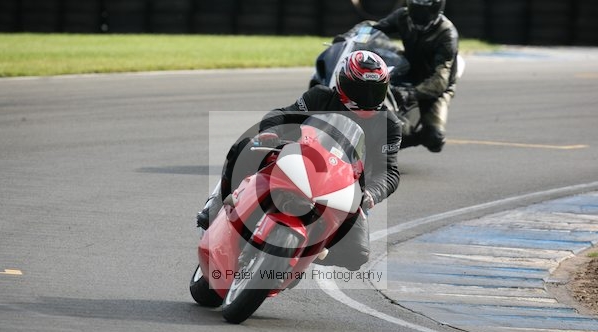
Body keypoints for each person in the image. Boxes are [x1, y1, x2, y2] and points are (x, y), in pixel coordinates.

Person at [197, 50, 403, 271]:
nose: (368, 99)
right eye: (360, 90)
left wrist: (371, 193)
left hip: (344, 187)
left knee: (357, 255)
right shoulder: (320, 97)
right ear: (343, 84)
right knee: (246, 147)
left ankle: (304, 252)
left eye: (375, 91)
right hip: (300, 162)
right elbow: (283, 115)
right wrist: (272, 132)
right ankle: (216, 206)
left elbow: (388, 171)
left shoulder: (389, 124)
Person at [373, 0, 459, 153]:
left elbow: (440, 80)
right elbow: (375, 29)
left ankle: (400, 141)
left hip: (435, 85)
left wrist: (411, 93)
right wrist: (351, 37)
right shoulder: (402, 16)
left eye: (424, 11)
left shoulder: (447, 34)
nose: (419, 15)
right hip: (407, 70)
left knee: (435, 138)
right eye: (416, 8)